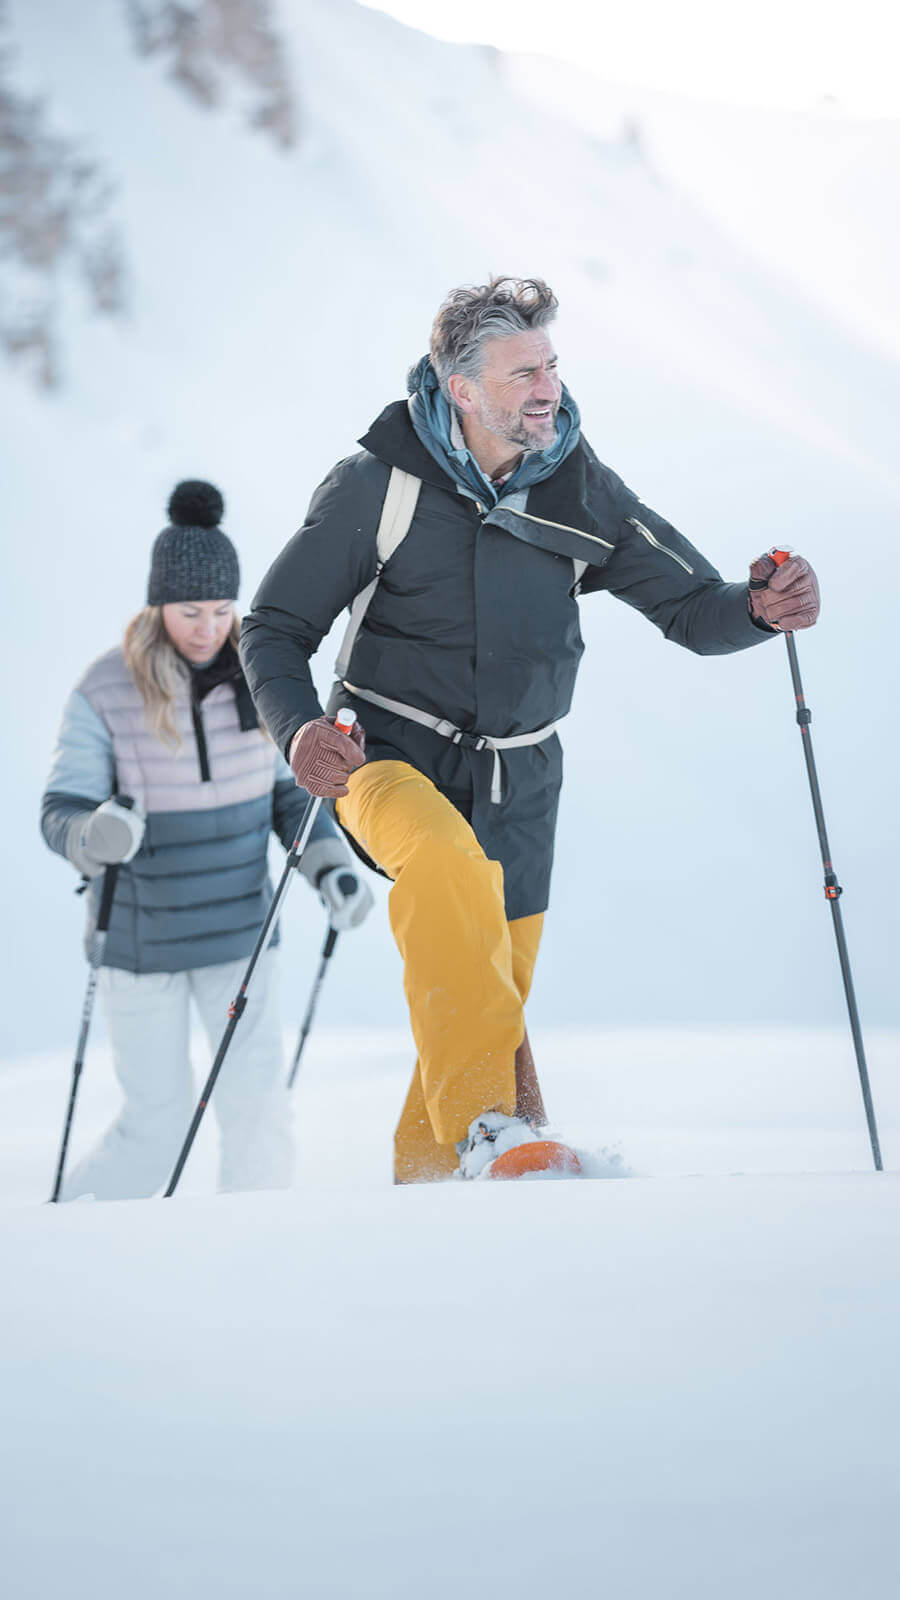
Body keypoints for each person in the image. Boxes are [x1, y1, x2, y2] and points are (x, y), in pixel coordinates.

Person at [240, 277, 821, 1184]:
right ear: (462, 387)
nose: (547, 387)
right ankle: (492, 1125)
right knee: (445, 871)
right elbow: (273, 626)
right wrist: (299, 731)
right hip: (382, 758)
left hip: (523, 782)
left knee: (484, 992)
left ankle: (436, 1190)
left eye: (550, 364)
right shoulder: (378, 485)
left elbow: (690, 607)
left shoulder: (577, 484)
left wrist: (761, 607)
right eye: (523, 373)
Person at [41, 479, 373, 1200]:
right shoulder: (106, 688)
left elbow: (292, 793)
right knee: (156, 1126)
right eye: (191, 611)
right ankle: (67, 1235)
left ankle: (256, 1257)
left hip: (240, 938)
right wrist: (96, 834)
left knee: (258, 1113)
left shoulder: (263, 682)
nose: (207, 627)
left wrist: (331, 870)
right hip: (140, 945)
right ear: (159, 606)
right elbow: (60, 812)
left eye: (222, 610)